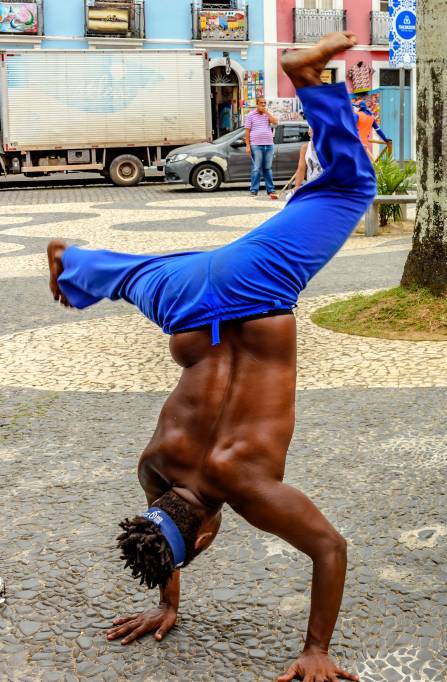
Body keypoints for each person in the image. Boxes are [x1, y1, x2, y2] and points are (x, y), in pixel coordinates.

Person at [45, 33, 374, 682]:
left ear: (201, 538)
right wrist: (166, 589)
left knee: (347, 188)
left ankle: (308, 78)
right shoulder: (155, 467)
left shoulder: (246, 486)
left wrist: (316, 650)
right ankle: (76, 266)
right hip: (187, 304)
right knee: (139, 275)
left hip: (256, 288)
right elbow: (167, 526)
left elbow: (330, 550)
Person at [245, 96, 279, 199]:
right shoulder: (251, 115)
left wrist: (267, 113)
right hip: (256, 145)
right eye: (261, 103)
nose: (263, 105)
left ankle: (271, 190)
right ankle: (254, 190)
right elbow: (247, 131)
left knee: (267, 168)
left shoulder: (267, 115)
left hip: (269, 145)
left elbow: (275, 122)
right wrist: (247, 145)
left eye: (265, 103)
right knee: (257, 168)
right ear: (257, 104)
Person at [292, 125, 323, 193]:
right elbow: (301, 168)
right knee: (289, 197)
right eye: (313, 131)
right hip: (311, 184)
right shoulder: (305, 148)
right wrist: (297, 186)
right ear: (309, 133)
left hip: (326, 185)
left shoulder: (329, 146)